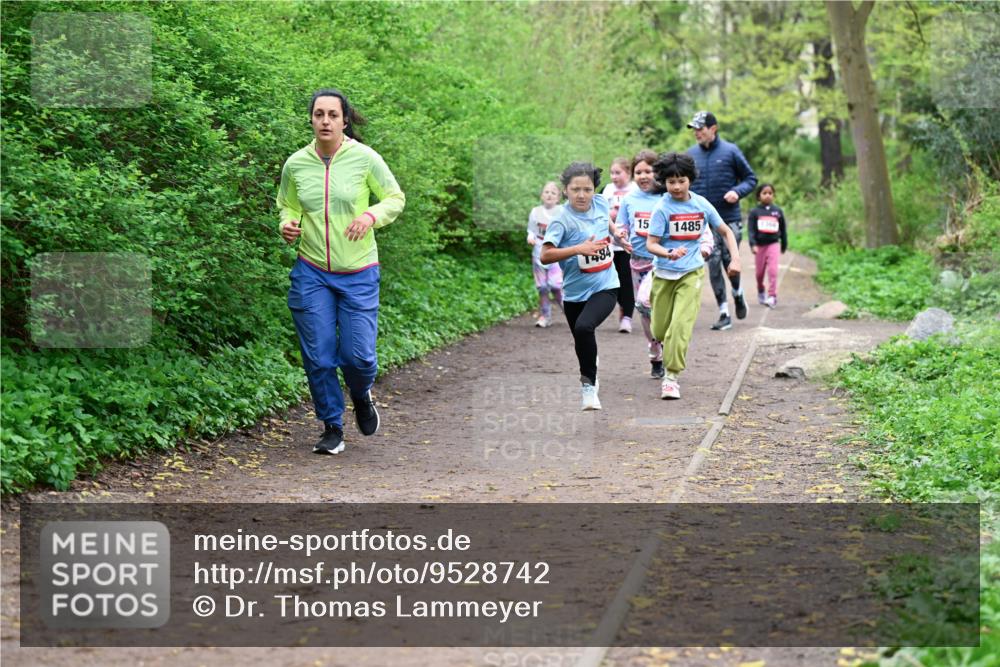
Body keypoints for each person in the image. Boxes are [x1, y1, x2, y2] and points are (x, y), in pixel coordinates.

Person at [277, 89, 405, 455]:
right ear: (311, 119)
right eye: (319, 114)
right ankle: (332, 426)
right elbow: (287, 204)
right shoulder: (296, 164)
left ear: (345, 120)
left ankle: (361, 393)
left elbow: (395, 198)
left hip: (359, 271)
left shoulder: (365, 159)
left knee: (359, 358)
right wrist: (287, 223)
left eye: (333, 114)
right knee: (318, 356)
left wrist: (370, 216)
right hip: (312, 270)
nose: (325, 121)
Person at [646, 152, 740, 400]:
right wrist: (668, 252)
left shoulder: (701, 204)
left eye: (681, 181)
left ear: (690, 180)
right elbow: (651, 244)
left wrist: (736, 259)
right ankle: (666, 349)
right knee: (659, 328)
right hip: (664, 274)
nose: (676, 187)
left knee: (680, 325)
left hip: (691, 272)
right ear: (664, 182)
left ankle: (671, 377)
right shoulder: (662, 208)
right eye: (671, 182)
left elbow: (726, 232)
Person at [540, 162, 627, 411]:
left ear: (594, 190)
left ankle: (588, 387)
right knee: (582, 337)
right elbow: (546, 256)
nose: (582, 195)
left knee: (584, 326)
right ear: (565, 190)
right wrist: (578, 249)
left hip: (606, 284)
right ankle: (592, 365)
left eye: (587, 189)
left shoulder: (600, 202)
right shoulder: (561, 220)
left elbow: (607, 220)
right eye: (575, 189)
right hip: (575, 292)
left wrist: (618, 234)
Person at [686, 111, 756, 331]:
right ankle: (724, 312)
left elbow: (751, 179)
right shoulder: (690, 156)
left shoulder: (731, 151)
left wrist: (737, 191)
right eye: (695, 129)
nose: (697, 133)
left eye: (701, 129)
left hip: (729, 219)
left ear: (713, 129)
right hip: (703, 222)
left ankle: (737, 293)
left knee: (729, 262)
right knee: (713, 263)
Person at [617, 150, 665, 377]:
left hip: (662, 262)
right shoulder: (629, 199)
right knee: (644, 310)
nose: (644, 176)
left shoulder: (665, 197)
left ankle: (665, 350)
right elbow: (621, 226)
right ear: (633, 174)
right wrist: (622, 237)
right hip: (637, 261)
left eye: (649, 170)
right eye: (639, 172)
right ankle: (656, 353)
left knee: (655, 305)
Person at [602, 157, 638, 333]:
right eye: (612, 173)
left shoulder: (635, 190)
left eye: (618, 173)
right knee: (610, 282)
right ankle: (621, 308)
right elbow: (599, 212)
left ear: (628, 173)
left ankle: (627, 317)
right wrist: (610, 214)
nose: (614, 176)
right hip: (609, 244)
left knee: (626, 281)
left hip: (628, 245)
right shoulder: (607, 190)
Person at [527, 182, 564, 328]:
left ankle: (568, 310)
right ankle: (545, 316)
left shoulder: (561, 212)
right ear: (542, 195)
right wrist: (530, 237)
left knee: (555, 285)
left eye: (553, 193)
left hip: (555, 254)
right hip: (538, 254)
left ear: (558, 198)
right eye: (546, 192)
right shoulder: (535, 212)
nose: (549, 195)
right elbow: (531, 230)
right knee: (542, 287)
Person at [747, 183, 787, 308]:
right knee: (759, 274)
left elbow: (783, 228)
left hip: (773, 244)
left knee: (773, 271)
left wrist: (784, 243)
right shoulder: (755, 212)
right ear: (759, 196)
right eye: (764, 193)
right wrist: (753, 244)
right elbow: (751, 230)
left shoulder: (777, 211)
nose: (768, 196)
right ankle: (760, 289)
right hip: (760, 246)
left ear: (773, 195)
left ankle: (772, 296)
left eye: (770, 193)